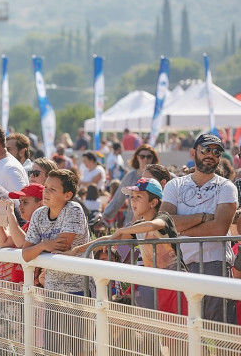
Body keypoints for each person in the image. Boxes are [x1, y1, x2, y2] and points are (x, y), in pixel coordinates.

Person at [68, 178, 189, 315]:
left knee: (179, 333)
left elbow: (153, 225)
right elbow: (107, 239)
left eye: (139, 197)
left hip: (177, 285)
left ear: (153, 202)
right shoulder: (137, 227)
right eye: (132, 197)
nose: (133, 201)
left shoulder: (163, 217)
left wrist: (121, 231)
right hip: (158, 286)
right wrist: (76, 250)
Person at [161, 134, 237, 323]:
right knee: (184, 334)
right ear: (193, 152)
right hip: (180, 267)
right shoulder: (174, 185)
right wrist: (203, 218)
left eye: (217, 151)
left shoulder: (226, 187)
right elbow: (165, 221)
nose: (211, 154)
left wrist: (179, 229)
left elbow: (219, 229)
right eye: (205, 149)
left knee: (220, 336)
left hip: (215, 265)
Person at [22, 169, 91, 355]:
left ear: (68, 195)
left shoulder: (74, 209)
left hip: (78, 288)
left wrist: (39, 247)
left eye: (53, 189)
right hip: (52, 289)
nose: (46, 192)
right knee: (51, 346)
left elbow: (61, 246)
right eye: (46, 187)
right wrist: (45, 244)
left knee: (76, 347)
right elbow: (26, 254)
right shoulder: (38, 214)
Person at [103, 144, 159, 228]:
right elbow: (118, 199)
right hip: (131, 223)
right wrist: (104, 216)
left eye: (149, 157)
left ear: (153, 158)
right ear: (137, 157)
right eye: (142, 156)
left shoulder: (159, 176)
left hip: (152, 223)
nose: (145, 159)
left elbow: (174, 180)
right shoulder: (131, 176)